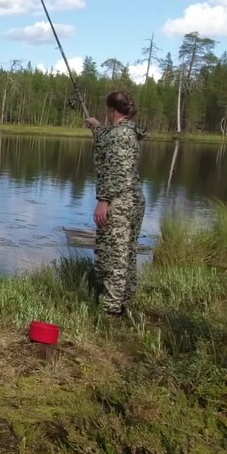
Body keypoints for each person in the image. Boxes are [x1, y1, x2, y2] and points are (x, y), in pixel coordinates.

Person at [85, 90, 147, 316]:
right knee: (127, 252)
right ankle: (124, 301)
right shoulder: (125, 131)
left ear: (112, 110)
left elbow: (117, 171)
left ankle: (110, 311)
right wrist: (97, 128)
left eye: (107, 110)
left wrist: (104, 200)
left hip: (120, 202)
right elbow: (108, 142)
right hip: (132, 200)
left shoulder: (121, 136)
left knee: (115, 255)